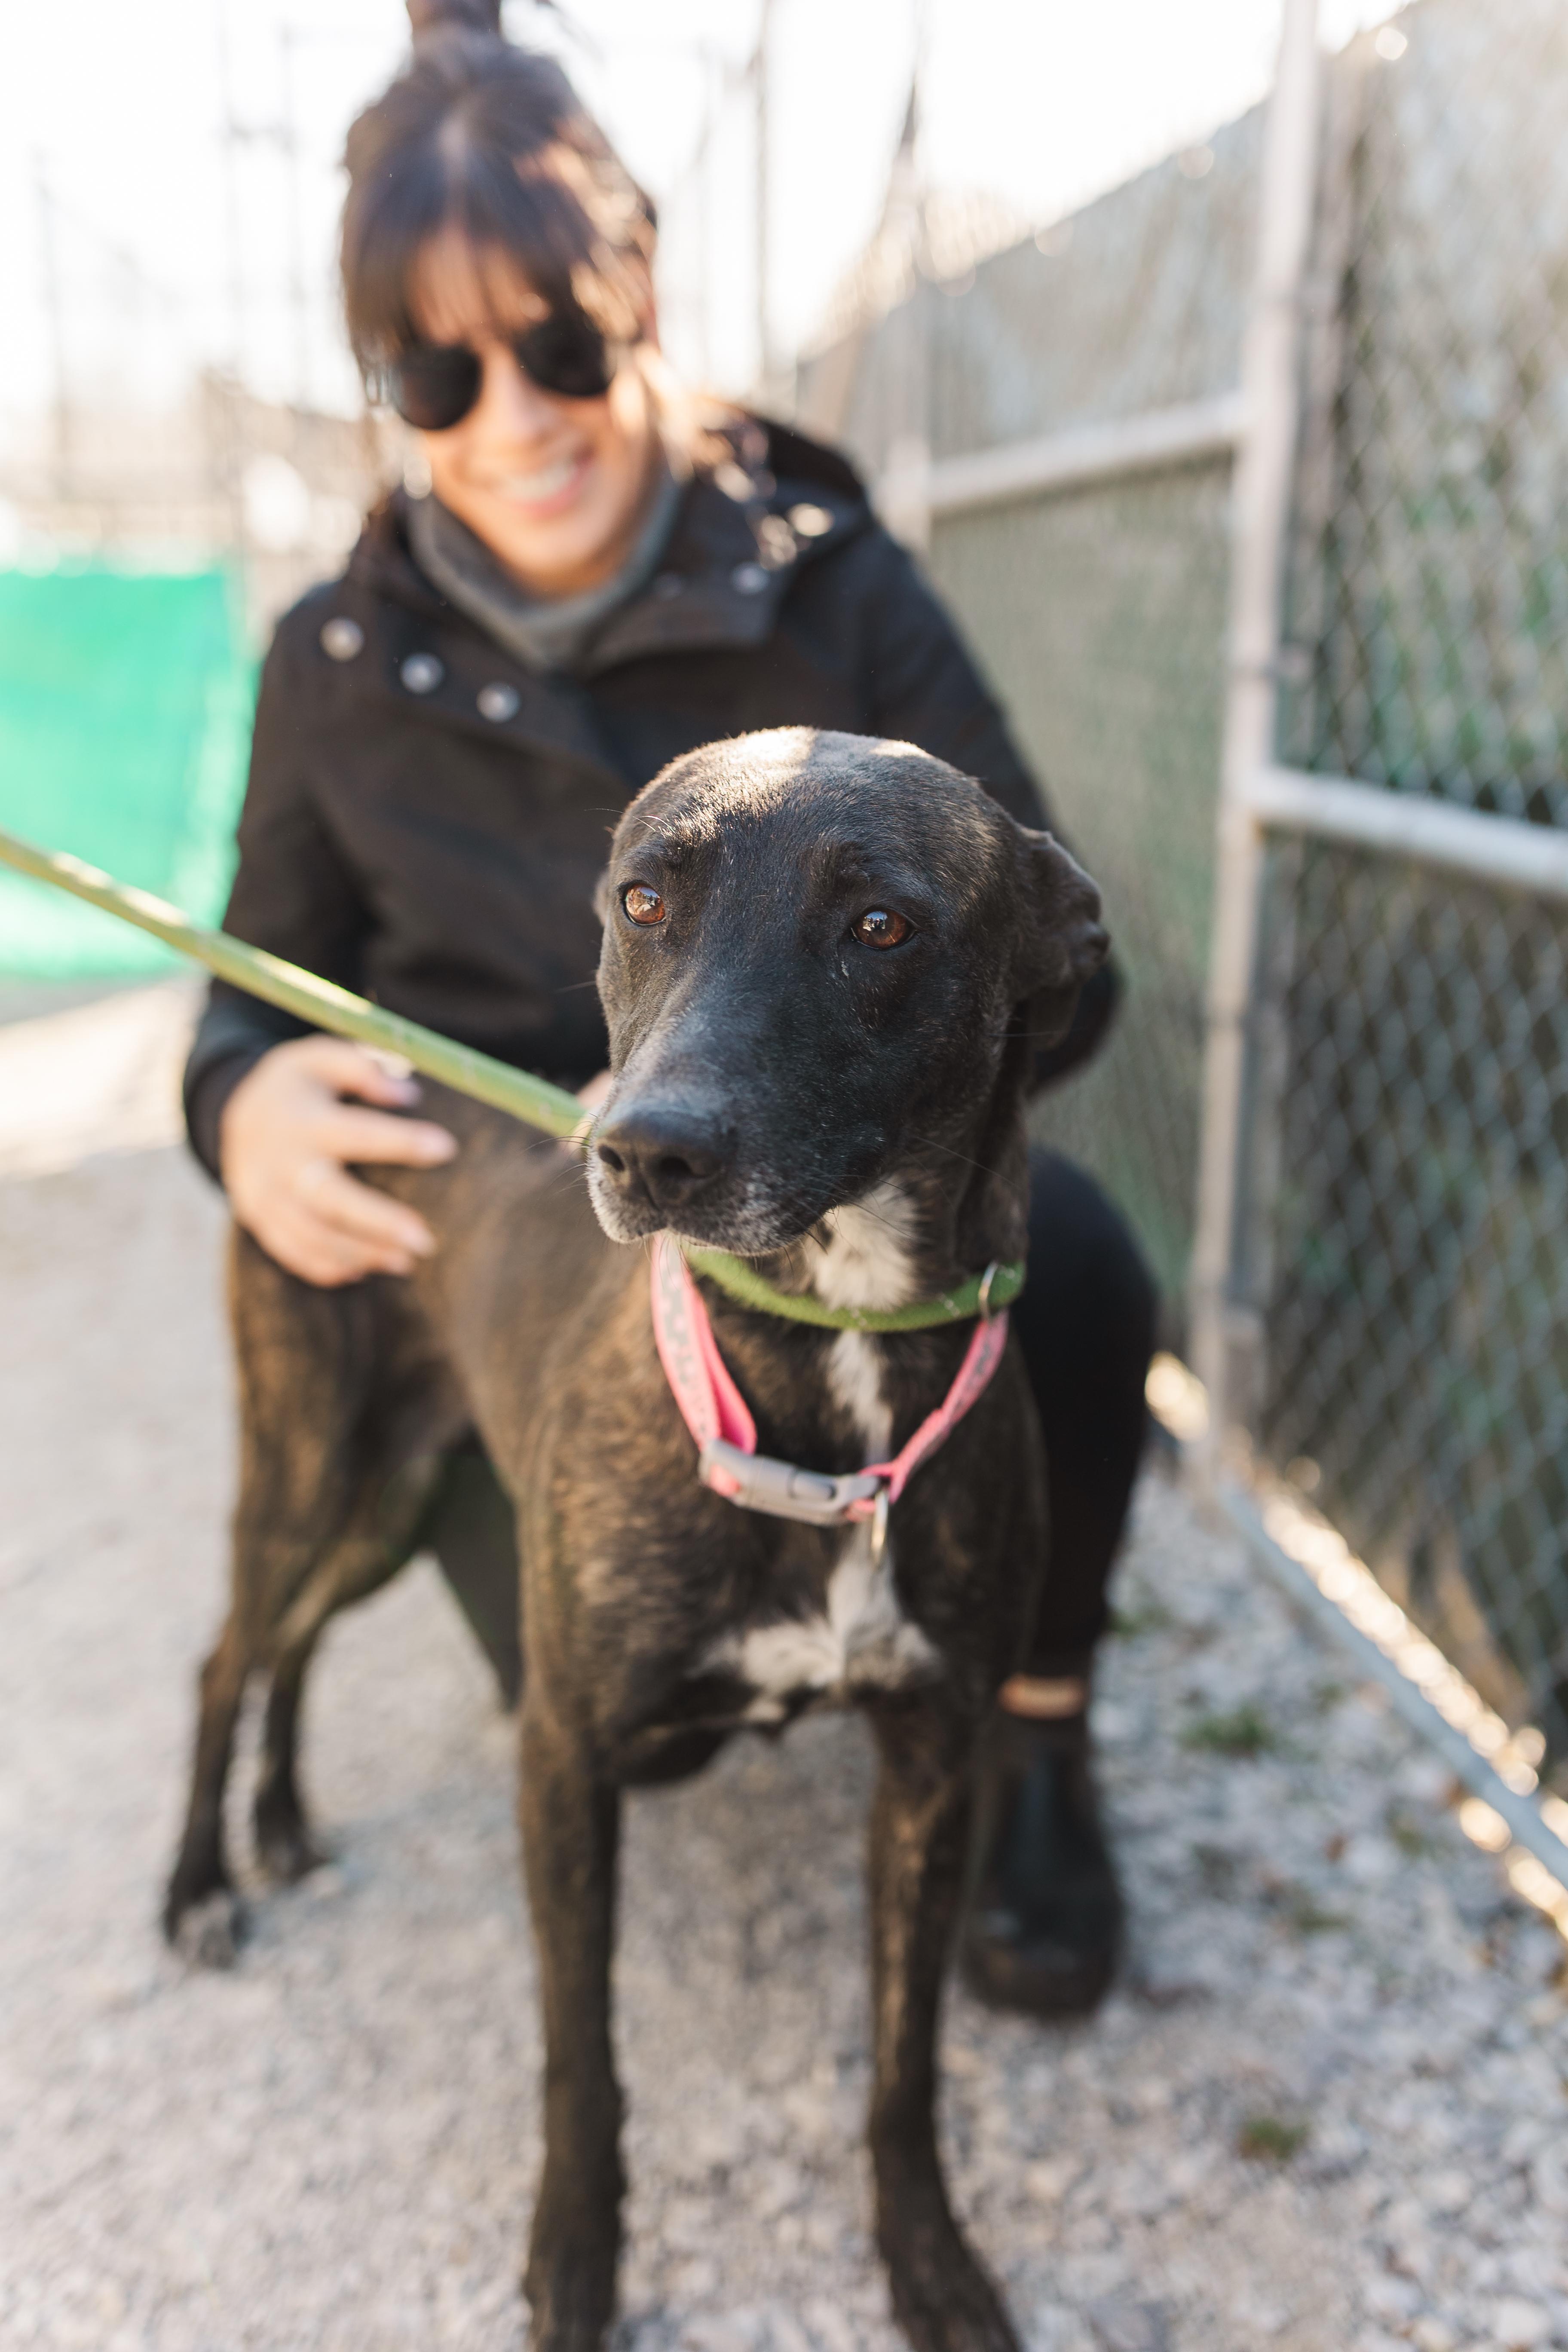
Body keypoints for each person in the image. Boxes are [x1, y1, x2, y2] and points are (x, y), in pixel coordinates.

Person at [183, 0, 1157, 2020]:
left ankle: (1036, 1721)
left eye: (556, 342)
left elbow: (1057, 955)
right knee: (635, 1695)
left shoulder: (832, 579)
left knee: (1074, 1257)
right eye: (434, 368)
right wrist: (243, 1109)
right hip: (533, 1236)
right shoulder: (338, 656)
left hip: (828, 1136)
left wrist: (839, 1092)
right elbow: (242, 991)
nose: (511, 413)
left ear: (638, 302)